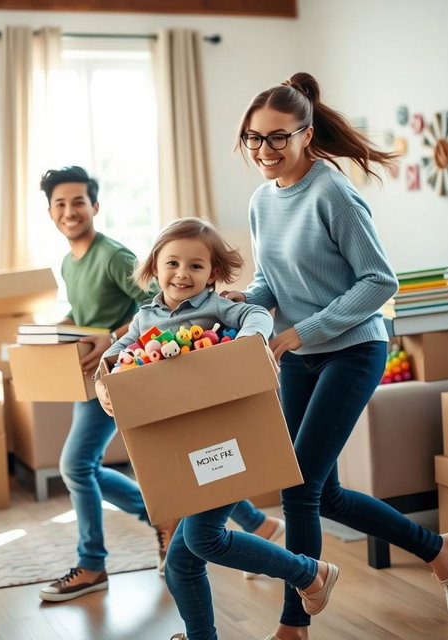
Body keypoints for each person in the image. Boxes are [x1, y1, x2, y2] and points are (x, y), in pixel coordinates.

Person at [223, 72, 448, 639]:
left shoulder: (332, 192)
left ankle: (293, 626)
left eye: (278, 137)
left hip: (353, 349)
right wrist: (248, 299)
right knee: (320, 489)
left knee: (298, 488)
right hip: (300, 354)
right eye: (253, 139)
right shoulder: (263, 200)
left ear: (306, 134)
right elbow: (272, 281)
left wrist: (304, 330)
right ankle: (438, 548)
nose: (264, 150)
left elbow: (380, 282)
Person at [95, 217, 340, 640]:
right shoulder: (144, 318)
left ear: (213, 273)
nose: (182, 274)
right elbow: (120, 351)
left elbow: (256, 314)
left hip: (224, 440)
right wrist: (103, 380)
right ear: (154, 267)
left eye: (196, 266)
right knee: (180, 562)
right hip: (180, 446)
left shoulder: (215, 308)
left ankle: (308, 572)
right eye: (172, 263)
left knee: (204, 539)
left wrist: (247, 343)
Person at [37, 165, 180, 603]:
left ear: (95, 206)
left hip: (123, 373)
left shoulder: (114, 255)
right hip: (92, 380)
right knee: (82, 466)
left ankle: (93, 564)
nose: (70, 211)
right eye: (60, 203)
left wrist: (113, 337)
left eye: (78, 201)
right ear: (50, 212)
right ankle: (164, 517)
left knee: (76, 465)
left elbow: (158, 304)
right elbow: (88, 316)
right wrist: (50, 332)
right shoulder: (68, 261)